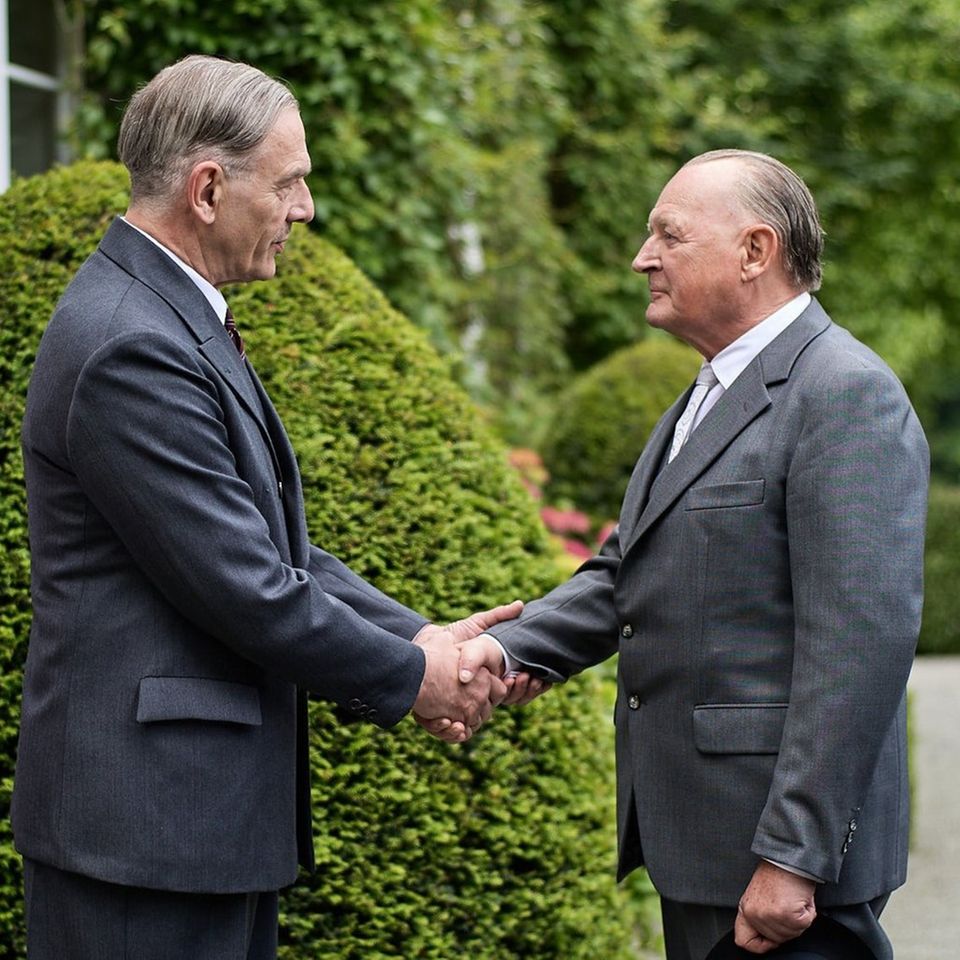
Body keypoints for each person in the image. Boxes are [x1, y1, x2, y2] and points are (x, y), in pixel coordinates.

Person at [12, 55, 528, 960]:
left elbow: (269, 547)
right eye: (289, 182)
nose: (306, 209)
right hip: (145, 839)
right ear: (209, 189)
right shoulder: (133, 343)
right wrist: (417, 677)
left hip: (182, 829)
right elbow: (243, 584)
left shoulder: (163, 316)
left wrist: (417, 638)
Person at [451, 150, 929, 960]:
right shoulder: (709, 393)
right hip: (704, 850)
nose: (643, 258)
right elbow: (628, 571)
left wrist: (794, 856)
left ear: (755, 251)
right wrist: (501, 650)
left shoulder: (844, 393)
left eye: (669, 235)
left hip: (775, 869)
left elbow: (859, 648)